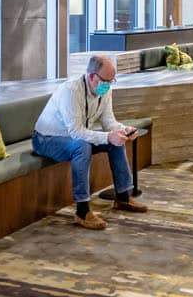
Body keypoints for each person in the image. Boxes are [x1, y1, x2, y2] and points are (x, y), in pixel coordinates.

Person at [32, 55, 147, 230]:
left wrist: (123, 130)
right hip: (46, 139)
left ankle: (122, 197)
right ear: (91, 76)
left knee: (116, 140)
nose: (108, 85)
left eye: (112, 80)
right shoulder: (71, 91)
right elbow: (76, 132)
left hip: (74, 136)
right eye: (106, 80)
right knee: (82, 146)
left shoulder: (104, 89)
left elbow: (109, 122)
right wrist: (109, 136)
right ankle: (82, 210)